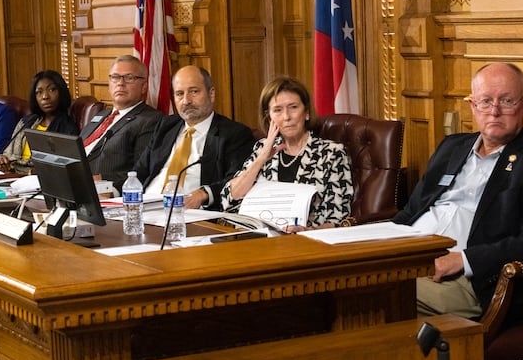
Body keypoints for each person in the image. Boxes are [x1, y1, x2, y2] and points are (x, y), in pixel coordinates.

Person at [393, 62, 523, 324]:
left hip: (470, 280)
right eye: (485, 101)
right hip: (411, 259)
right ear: (472, 106)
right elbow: (411, 211)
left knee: (372, 296)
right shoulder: (452, 146)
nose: (494, 111)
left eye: (506, 101)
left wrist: (463, 260)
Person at [221, 76, 353, 231]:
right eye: (277, 110)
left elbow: (340, 217)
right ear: (269, 117)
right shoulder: (262, 148)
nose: (286, 117)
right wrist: (262, 158)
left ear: (307, 113)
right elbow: (230, 199)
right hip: (261, 240)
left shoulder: (331, 153)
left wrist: (307, 231)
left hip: (308, 242)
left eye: (293, 107)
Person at [134, 65, 255, 211]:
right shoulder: (166, 126)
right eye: (179, 94)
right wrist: (112, 190)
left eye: (194, 92)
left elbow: (237, 181)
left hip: (189, 215)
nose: (186, 101)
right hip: (145, 208)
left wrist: (205, 193)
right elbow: (140, 171)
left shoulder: (234, 134)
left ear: (211, 94)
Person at [81, 55, 162, 192]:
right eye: (115, 77)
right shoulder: (101, 115)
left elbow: (140, 171)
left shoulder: (151, 120)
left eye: (129, 77)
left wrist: (100, 180)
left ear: (144, 87)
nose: (120, 83)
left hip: (101, 191)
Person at [0, 70, 79, 174]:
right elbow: (7, 155)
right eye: (39, 92)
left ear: (61, 92)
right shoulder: (26, 122)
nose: (45, 96)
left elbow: (61, 168)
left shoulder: (68, 129)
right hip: (12, 178)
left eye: (52, 90)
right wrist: (2, 161)